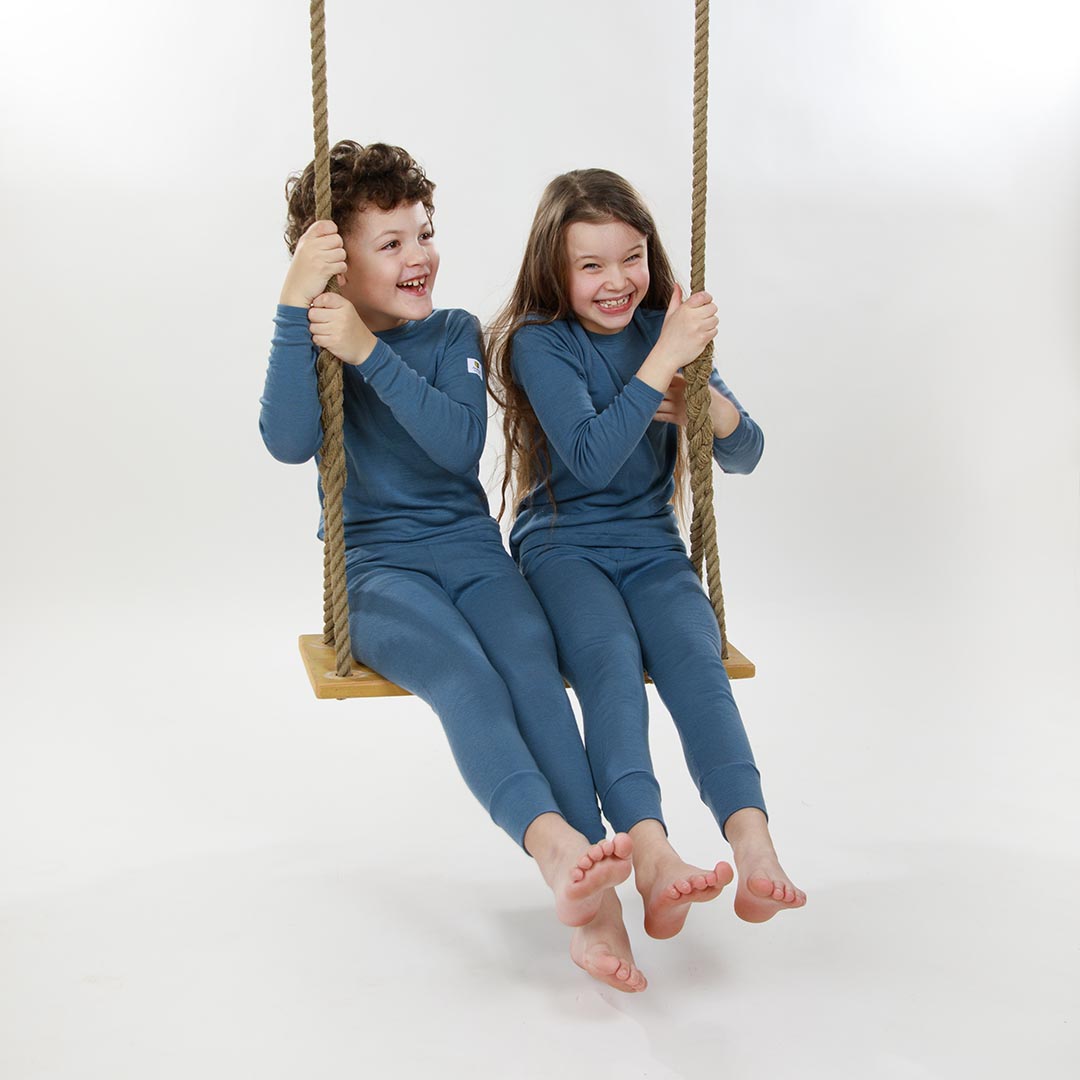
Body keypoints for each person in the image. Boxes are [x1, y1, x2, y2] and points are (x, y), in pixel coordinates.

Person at [259, 143, 646, 991]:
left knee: (532, 672)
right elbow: (288, 441)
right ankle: (556, 854)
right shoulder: (323, 335)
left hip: (473, 553)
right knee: (465, 676)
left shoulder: (452, 331)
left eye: (423, 233)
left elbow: (457, 441)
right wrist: (301, 308)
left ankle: (598, 906)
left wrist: (371, 349)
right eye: (389, 244)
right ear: (336, 263)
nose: (417, 256)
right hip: (376, 571)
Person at [488, 168, 805, 937]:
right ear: (556, 272)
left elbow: (746, 453)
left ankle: (752, 840)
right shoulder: (541, 342)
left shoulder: (667, 322)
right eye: (590, 264)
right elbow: (593, 459)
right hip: (563, 547)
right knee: (608, 659)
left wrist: (715, 408)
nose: (616, 280)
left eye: (631, 257)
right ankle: (652, 851)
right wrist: (662, 359)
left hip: (653, 547)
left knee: (695, 658)